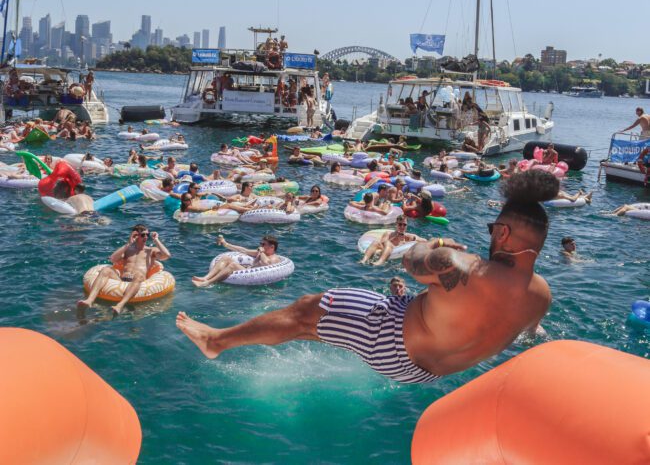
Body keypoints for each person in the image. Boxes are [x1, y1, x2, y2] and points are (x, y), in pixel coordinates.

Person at [175, 171, 559, 383]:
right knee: (313, 329)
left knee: (307, 311)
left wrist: (439, 242)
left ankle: (215, 341)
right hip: (430, 373)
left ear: (504, 234)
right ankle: (252, 338)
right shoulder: (541, 295)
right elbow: (517, 334)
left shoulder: (464, 267)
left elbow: (412, 261)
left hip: (393, 339)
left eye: (495, 228)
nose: (491, 233)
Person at [78, 225, 171, 315]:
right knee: (106, 269)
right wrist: (128, 244)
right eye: (143, 235)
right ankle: (90, 300)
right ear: (135, 236)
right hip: (122, 280)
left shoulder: (151, 251)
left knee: (139, 275)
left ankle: (120, 305)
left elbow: (167, 255)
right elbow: (112, 259)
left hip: (138, 280)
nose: (146, 237)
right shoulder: (128, 250)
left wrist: (156, 240)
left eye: (147, 234)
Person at [360, 216, 425, 266]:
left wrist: (414, 239)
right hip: (386, 250)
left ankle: (380, 262)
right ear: (396, 224)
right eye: (400, 224)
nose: (402, 226)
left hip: (398, 254)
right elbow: (383, 242)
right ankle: (364, 260)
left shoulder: (409, 236)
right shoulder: (388, 234)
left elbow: (424, 240)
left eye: (404, 224)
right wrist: (394, 238)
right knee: (376, 242)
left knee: (389, 244)